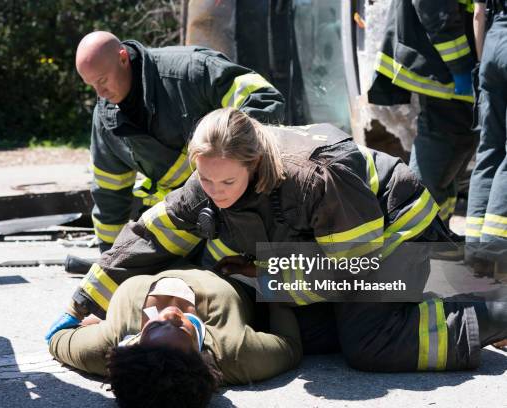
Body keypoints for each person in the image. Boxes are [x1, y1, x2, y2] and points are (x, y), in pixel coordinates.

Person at [50, 107, 507, 372]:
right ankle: (476, 280)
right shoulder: (211, 177)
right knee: (312, 330)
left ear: (253, 164)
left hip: (392, 228)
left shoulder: (315, 177)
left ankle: (495, 309)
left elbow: (355, 272)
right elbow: (147, 238)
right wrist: (80, 306)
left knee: (368, 344)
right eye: (205, 181)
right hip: (344, 253)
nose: (214, 193)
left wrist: (268, 274)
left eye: (226, 183)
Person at [76, 31, 284, 251]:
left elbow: (263, 98)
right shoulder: (106, 120)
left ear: (123, 58)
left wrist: (231, 151)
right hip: (185, 216)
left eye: (102, 80)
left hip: (244, 204)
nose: (101, 93)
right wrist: (110, 252)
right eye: (92, 86)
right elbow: (109, 192)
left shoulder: (190, 71)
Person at [46, 266, 302, 408]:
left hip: (155, 247)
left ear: (135, 344)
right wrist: (266, 280)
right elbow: (290, 344)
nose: (171, 315)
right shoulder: (237, 353)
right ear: (202, 360)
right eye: (182, 329)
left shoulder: (106, 346)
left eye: (155, 328)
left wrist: (86, 318)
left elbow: (58, 338)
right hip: (230, 254)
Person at [368, 0, 480, 228]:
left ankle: (436, 230)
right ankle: (416, 232)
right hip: (442, 65)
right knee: (443, 146)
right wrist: (460, 66)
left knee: (454, 151)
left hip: (441, 62)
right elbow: (434, 9)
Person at [466, 0, 507, 280]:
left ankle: (475, 252)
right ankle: (496, 247)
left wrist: (482, 65)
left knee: (489, 150)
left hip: (491, 44)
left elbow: (478, 13)